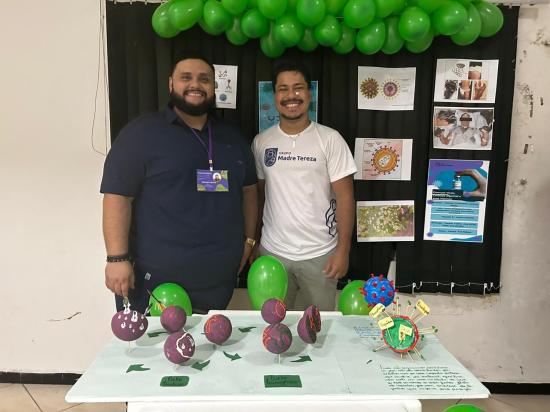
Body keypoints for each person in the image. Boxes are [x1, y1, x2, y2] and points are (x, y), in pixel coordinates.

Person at [101, 55, 258, 314]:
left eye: (204, 79)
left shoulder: (232, 138)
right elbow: (117, 197)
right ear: (171, 84)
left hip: (216, 284)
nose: (195, 84)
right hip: (152, 284)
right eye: (186, 77)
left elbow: (249, 191)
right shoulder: (141, 134)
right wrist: (116, 259)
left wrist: (249, 241)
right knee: (153, 353)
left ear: (214, 88)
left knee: (210, 351)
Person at [251, 60, 357, 311]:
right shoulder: (261, 142)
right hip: (273, 253)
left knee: (316, 330)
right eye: (283, 89)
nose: (291, 96)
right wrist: (254, 243)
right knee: (272, 327)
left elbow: (345, 198)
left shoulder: (330, 139)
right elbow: (258, 196)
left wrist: (343, 250)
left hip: (321, 255)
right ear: (274, 95)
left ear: (310, 94)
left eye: (298, 88)